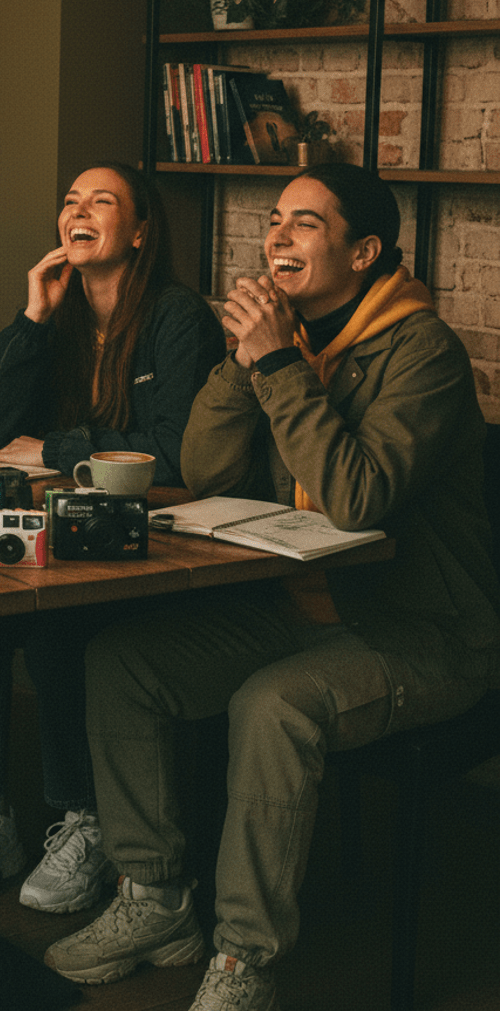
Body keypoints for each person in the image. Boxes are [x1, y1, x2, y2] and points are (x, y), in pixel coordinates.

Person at [44, 163, 500, 1010]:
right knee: (123, 663)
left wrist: (280, 364)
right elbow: (206, 466)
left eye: (305, 224)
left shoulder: (424, 352)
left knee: (273, 705)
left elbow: (357, 498)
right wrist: (243, 363)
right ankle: (155, 900)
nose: (277, 237)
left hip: (422, 632)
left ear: (364, 252)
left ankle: (244, 960)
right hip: (301, 608)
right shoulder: (294, 341)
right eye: (276, 219)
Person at [0, 163, 226, 913]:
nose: (80, 210)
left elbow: (172, 459)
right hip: (58, 531)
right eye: (70, 200)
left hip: (155, 544)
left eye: (102, 201)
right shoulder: (60, 316)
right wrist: (32, 316)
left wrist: (57, 449)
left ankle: (86, 819)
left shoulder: (176, 316)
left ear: (138, 232)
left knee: (60, 627)